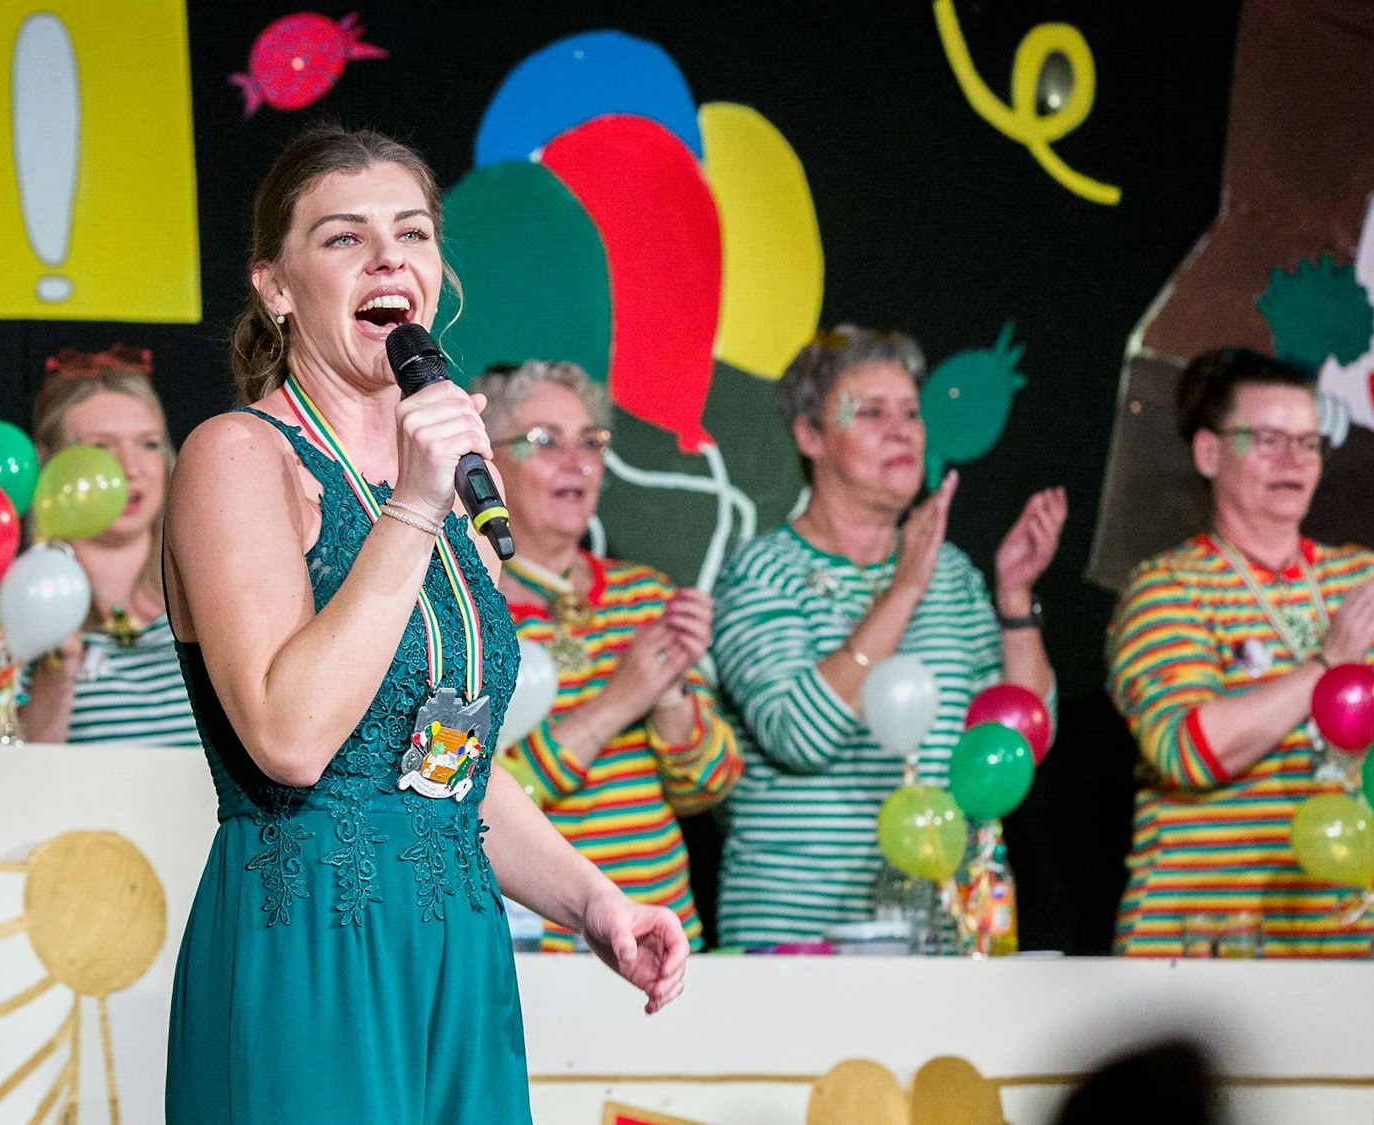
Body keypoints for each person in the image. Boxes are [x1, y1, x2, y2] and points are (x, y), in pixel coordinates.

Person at [161, 124, 686, 1122]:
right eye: (343, 238)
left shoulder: (451, 494)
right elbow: (289, 737)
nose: (387, 257)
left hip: (454, 948)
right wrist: (410, 504)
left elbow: (443, 771)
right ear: (275, 286)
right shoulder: (239, 457)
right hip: (303, 937)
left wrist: (592, 902)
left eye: (409, 233)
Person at [1106, 347, 1374, 958]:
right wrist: (1326, 668)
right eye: (1270, 439)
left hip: (1353, 948)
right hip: (1205, 956)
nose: (1294, 461)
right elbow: (1188, 751)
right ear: (1208, 452)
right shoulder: (1167, 588)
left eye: (1309, 442)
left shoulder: (1366, 579)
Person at [710, 325, 1066, 947]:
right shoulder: (762, 570)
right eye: (871, 413)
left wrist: (1014, 601)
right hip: (799, 937)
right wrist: (902, 590)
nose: (901, 429)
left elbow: (1023, 740)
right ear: (810, 435)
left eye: (910, 412)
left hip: (946, 928)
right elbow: (799, 734)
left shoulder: (951, 573)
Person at [477, 359, 742, 952]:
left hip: (660, 938)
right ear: (488, 463)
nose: (577, 462)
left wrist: (669, 694)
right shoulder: (464, 612)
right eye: (545, 441)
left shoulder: (645, 596)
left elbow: (710, 783)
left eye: (590, 442)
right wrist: (618, 702)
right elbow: (473, 801)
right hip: (528, 948)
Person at [0, 345, 197, 747]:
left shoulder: (207, 588)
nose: (130, 469)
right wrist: (56, 677)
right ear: (50, 463)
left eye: (148, 444)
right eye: (100, 448)